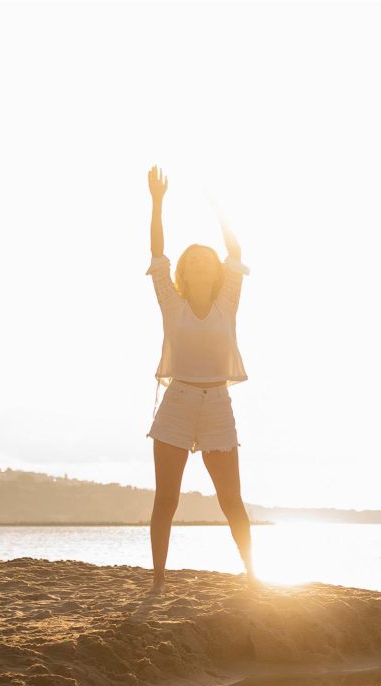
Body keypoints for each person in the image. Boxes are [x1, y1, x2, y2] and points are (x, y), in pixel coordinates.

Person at [141, 166, 254, 601]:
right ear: (185, 273)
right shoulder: (171, 302)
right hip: (178, 402)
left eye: (209, 260)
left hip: (217, 405)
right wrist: (156, 202)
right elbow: (158, 254)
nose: (203, 264)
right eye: (195, 262)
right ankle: (158, 579)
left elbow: (235, 248)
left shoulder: (229, 300)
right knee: (165, 500)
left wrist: (220, 206)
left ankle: (251, 572)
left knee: (231, 499)